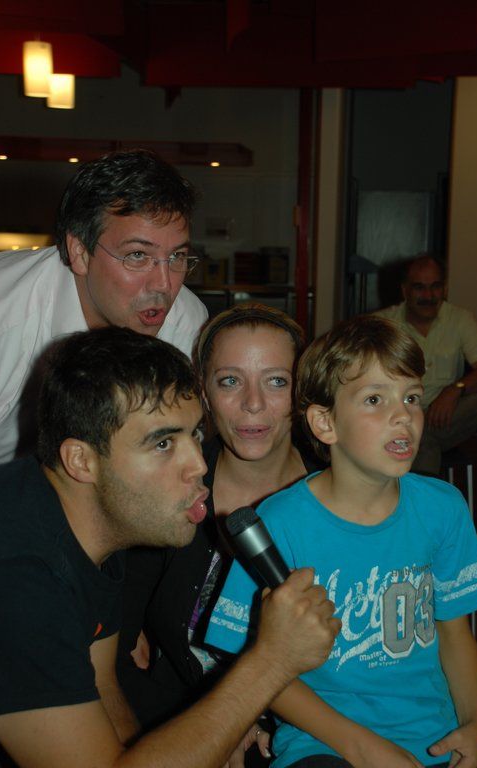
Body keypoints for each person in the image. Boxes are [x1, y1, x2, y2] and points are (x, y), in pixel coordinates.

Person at [0, 326, 340, 768]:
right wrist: (272, 661)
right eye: (162, 443)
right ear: (81, 460)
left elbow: (102, 683)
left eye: (195, 434)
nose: (198, 464)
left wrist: (201, 741)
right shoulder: (20, 576)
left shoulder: (90, 523)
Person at [206, 315, 477, 768]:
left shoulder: (443, 508)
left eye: (411, 397)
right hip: (323, 744)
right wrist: (361, 747)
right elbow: (255, 664)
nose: (403, 415)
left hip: (434, 734)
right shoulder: (278, 525)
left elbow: (455, 633)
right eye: (374, 399)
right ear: (325, 423)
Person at [116, 304, 324, 757]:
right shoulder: (163, 494)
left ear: (302, 392)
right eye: (230, 381)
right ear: (203, 392)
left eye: (276, 381)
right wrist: (207, 732)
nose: (253, 403)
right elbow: (117, 649)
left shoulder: (343, 494)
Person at [0, 149, 208, 466]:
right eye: (138, 255)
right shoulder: (4, 314)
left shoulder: (185, 323)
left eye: (176, 256)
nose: (165, 285)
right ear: (80, 252)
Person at [375, 254, 477, 475]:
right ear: (405, 290)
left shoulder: (460, 319)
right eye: (419, 288)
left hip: (443, 417)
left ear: (445, 289)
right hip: (398, 415)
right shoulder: (382, 324)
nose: (428, 295)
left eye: (435, 287)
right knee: (424, 442)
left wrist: (455, 390)